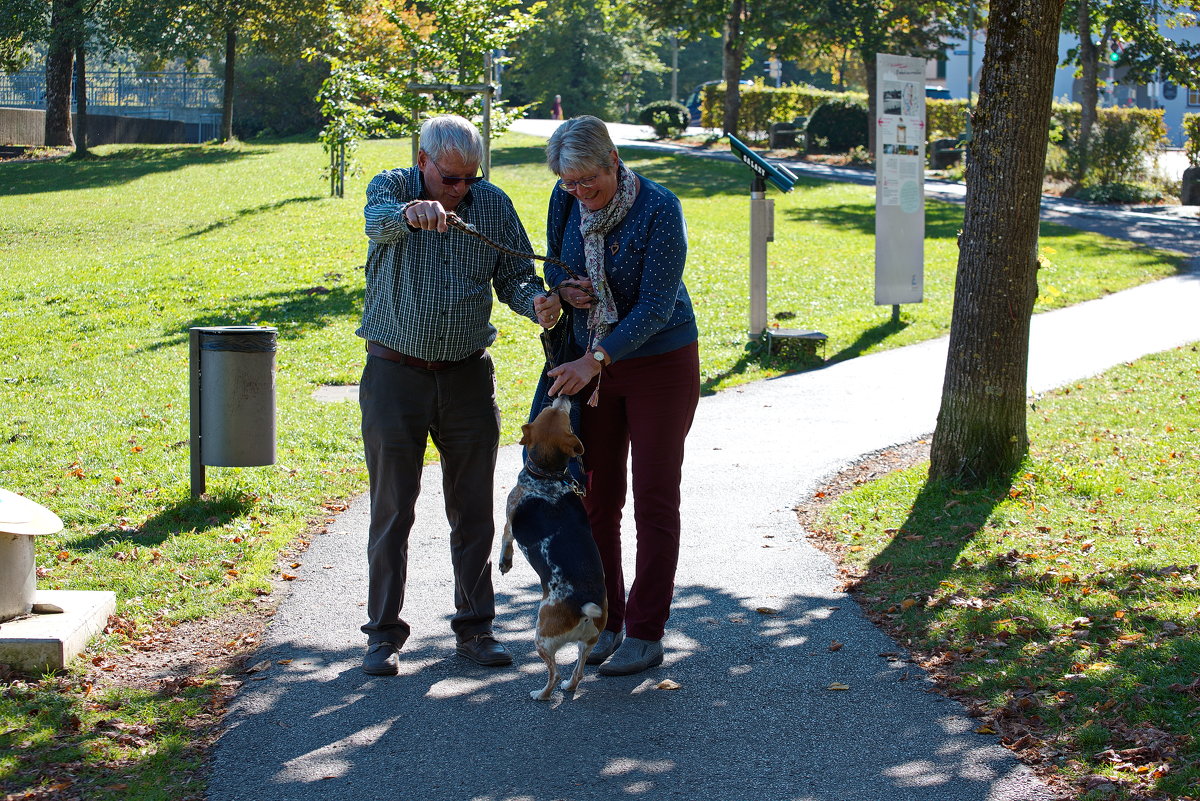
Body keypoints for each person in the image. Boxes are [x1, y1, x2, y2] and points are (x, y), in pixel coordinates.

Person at [357, 115, 559, 676]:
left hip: (468, 375)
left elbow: (516, 273)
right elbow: (376, 223)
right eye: (450, 179)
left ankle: (475, 628)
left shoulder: (489, 203)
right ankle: (382, 634)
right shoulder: (393, 188)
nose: (460, 190)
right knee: (393, 508)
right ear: (422, 161)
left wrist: (536, 303)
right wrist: (410, 214)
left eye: (470, 178)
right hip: (395, 374)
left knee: (473, 511)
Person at [540, 115, 700, 676]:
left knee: (655, 499)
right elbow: (557, 266)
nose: (580, 193)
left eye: (589, 181)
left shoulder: (659, 207)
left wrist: (596, 359)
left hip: (658, 362)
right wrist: (562, 292)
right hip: (592, 363)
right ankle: (607, 622)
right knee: (597, 500)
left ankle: (647, 631)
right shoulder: (564, 202)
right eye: (569, 183)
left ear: (613, 162)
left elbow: (657, 307)